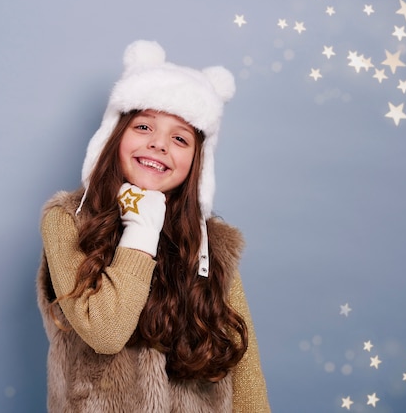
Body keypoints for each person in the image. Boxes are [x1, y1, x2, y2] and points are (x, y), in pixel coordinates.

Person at [37, 39, 270, 412]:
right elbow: (107, 332)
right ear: (113, 138)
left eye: (180, 138)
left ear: (197, 163)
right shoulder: (66, 221)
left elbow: (245, 372)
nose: (159, 145)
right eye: (144, 126)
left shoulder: (211, 245)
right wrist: (142, 228)